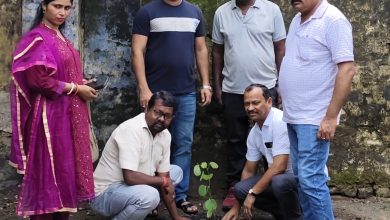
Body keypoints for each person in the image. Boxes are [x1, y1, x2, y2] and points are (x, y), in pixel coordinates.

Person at [9, 0, 98, 219]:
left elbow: (60, 74)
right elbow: (39, 81)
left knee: (66, 172)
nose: (62, 12)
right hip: (50, 119)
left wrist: (82, 82)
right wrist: (77, 88)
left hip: (68, 116)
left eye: (67, 8)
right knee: (50, 174)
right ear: (44, 6)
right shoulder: (37, 38)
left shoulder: (62, 38)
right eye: (57, 6)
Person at [131, 0, 212, 214]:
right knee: (149, 145)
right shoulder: (147, 12)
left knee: (183, 143)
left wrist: (205, 83)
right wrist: (144, 88)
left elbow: (201, 49)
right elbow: (137, 51)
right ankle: (150, 199)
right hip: (156, 93)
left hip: (186, 92)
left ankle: (179, 196)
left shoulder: (194, 12)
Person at [279, 0, 356, 219]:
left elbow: (347, 69)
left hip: (314, 117)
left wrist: (331, 117)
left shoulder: (333, 20)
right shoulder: (296, 20)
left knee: (311, 181)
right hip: (294, 115)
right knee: (303, 181)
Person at [211, 0, 286, 209]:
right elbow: (217, 51)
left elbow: (280, 48)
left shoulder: (271, 10)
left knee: (269, 140)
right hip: (233, 89)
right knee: (235, 142)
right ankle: (236, 190)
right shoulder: (221, 12)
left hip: (266, 88)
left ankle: (269, 190)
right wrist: (217, 85)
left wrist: (282, 84)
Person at [91, 91, 190, 220]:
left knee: (175, 172)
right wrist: (164, 181)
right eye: (157, 112)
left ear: (172, 118)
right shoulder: (131, 129)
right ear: (147, 109)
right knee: (151, 195)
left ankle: (141, 210)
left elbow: (165, 177)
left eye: (167, 116)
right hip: (105, 194)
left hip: (131, 189)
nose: (161, 119)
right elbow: (130, 177)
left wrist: (176, 217)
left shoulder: (165, 135)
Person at [222, 84, 301, 220]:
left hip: (300, 180)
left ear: (269, 102)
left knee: (279, 182)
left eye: (255, 103)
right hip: (281, 182)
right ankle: (284, 214)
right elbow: (248, 170)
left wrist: (253, 193)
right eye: (247, 104)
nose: (250, 108)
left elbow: (279, 166)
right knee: (240, 189)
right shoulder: (254, 132)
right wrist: (236, 207)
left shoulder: (279, 121)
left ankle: (297, 216)